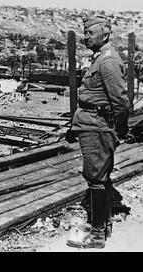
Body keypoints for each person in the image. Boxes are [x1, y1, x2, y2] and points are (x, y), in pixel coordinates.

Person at [66, 15, 130, 249]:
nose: (86, 37)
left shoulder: (108, 61)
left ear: (105, 34)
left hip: (98, 126)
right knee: (99, 176)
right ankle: (102, 224)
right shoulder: (99, 58)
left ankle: (97, 234)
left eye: (90, 32)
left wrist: (120, 130)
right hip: (90, 124)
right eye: (85, 32)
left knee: (96, 179)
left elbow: (121, 103)